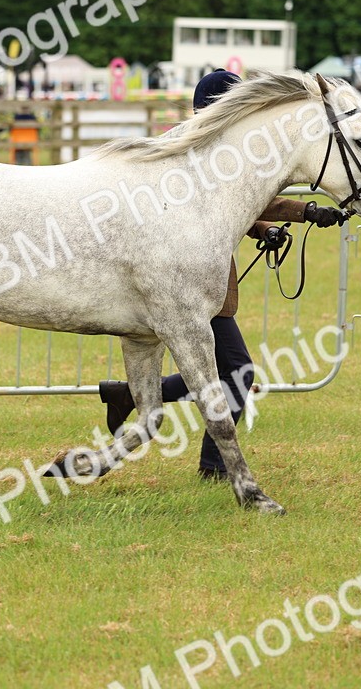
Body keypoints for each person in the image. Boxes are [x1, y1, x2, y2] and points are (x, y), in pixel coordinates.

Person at [94, 68, 348, 481]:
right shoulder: (194, 153)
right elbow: (237, 201)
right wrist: (302, 212)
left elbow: (241, 209)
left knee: (230, 371)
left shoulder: (213, 152)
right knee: (236, 370)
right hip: (187, 280)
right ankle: (211, 463)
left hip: (201, 277)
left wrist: (285, 222)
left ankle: (140, 406)